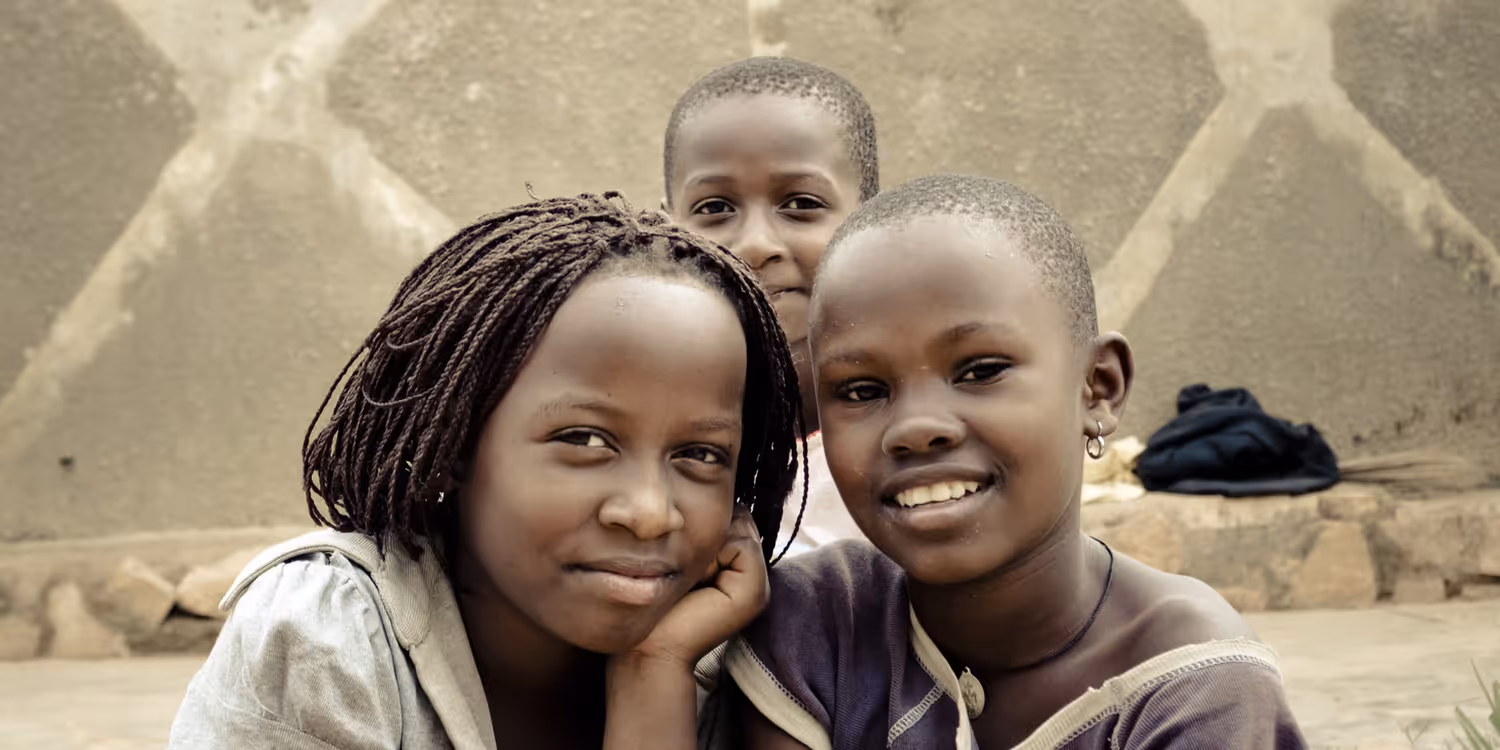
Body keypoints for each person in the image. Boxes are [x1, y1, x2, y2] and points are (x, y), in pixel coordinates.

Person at [166, 193, 807, 749]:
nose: (647, 512)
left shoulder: (738, 659)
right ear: (455, 446)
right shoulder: (329, 641)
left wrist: (653, 673)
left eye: (700, 455)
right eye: (584, 440)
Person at [722, 174, 1309, 749]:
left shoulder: (1192, 687)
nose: (917, 429)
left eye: (980, 371)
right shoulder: (819, 623)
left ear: (1098, 387)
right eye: (862, 390)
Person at [664, 56, 877, 558]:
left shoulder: (904, 434)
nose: (756, 244)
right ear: (667, 227)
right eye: (715, 208)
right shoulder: (640, 429)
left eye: (801, 203)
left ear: (870, 219)